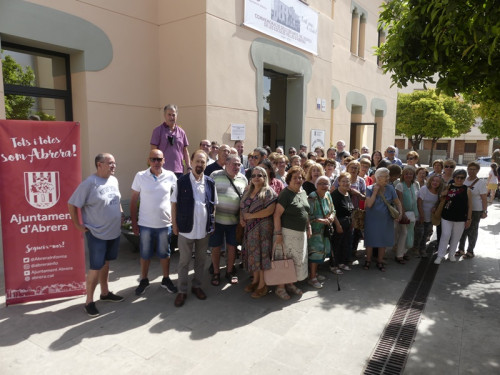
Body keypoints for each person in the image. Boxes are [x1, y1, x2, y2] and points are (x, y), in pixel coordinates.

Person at [68, 153, 124, 317]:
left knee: (106, 263)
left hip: (113, 232)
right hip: (97, 233)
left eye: (114, 163)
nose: (113, 166)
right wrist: (77, 225)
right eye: (110, 163)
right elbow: (72, 203)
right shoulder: (89, 183)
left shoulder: (114, 180)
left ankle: (105, 293)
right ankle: (89, 302)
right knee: (95, 268)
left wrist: (120, 214)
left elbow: (117, 199)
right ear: (99, 164)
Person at [171, 150, 217, 307]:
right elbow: (174, 205)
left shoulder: (210, 182)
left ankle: (197, 286)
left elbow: (213, 205)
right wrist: (175, 226)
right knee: (184, 261)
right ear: (191, 162)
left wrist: (212, 223)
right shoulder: (181, 182)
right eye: (197, 161)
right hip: (185, 228)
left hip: (203, 230)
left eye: (203, 162)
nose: (200, 164)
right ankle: (182, 291)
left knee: (201, 260)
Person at [130, 149, 178, 295]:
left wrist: (175, 219)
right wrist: (134, 222)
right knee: (145, 254)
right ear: (148, 161)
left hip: (164, 224)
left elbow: (177, 199)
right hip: (145, 224)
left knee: (165, 253)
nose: (156, 162)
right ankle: (144, 279)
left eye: (159, 159)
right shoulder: (140, 176)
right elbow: (133, 200)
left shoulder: (170, 176)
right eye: (153, 159)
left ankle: (165, 279)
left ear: (164, 160)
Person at [273, 166, 311, 300]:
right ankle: (280, 288)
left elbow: (306, 211)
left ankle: (290, 284)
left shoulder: (303, 192)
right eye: (294, 177)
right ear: (289, 179)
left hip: (301, 234)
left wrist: (309, 226)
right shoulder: (285, 193)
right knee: (285, 260)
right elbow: (277, 215)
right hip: (287, 233)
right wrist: (278, 234)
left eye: (300, 177)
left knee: (295, 261)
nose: (298, 180)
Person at [209, 155, 248, 286]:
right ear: (226, 163)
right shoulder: (215, 175)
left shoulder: (243, 179)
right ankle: (216, 272)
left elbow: (245, 200)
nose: (236, 167)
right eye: (234, 164)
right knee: (216, 247)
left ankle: (229, 272)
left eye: (239, 165)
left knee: (232, 247)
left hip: (234, 222)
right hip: (217, 221)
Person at [240, 166, 277, 298]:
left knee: (262, 256)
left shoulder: (268, 192)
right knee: (253, 255)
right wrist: (242, 218)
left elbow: (270, 210)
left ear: (264, 177)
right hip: (249, 230)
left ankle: (263, 285)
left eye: (259, 175)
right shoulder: (248, 191)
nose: (256, 178)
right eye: (254, 175)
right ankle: (255, 280)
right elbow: (242, 207)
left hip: (263, 230)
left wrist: (250, 216)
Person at [364, 168, 403, 272]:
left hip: (386, 219)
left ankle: (380, 261)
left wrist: (400, 213)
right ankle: (368, 260)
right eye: (385, 176)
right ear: (378, 177)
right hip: (372, 219)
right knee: (370, 240)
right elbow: (369, 204)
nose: (388, 178)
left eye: (388, 176)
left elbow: (398, 202)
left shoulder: (390, 188)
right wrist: (375, 192)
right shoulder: (369, 188)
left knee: (383, 241)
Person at [434, 169, 472, 264]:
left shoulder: (467, 190)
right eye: (457, 177)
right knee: (445, 235)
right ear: (454, 177)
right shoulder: (449, 186)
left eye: (462, 177)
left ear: (464, 178)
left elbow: (470, 206)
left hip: (460, 218)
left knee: (456, 237)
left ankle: (451, 254)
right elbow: (440, 197)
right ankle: (440, 255)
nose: (459, 179)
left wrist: (469, 219)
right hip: (447, 216)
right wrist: (443, 194)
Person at [307, 176, 338, 288]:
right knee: (315, 253)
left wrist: (330, 218)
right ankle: (312, 278)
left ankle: (314, 273)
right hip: (315, 230)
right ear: (316, 185)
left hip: (325, 229)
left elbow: (333, 210)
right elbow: (308, 215)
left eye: (326, 183)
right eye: (321, 183)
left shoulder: (328, 195)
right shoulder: (312, 197)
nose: (324, 186)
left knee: (322, 251)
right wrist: (320, 220)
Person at [150, 104, 191, 178]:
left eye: (173, 115)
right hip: (162, 170)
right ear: (165, 115)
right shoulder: (158, 131)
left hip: (178, 170)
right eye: (169, 115)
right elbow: (153, 151)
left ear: (176, 116)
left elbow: (185, 151)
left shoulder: (181, 132)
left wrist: (189, 167)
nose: (171, 117)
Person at [457, 162, 488, 258]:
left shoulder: (481, 183)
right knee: (462, 229)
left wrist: (484, 211)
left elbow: (484, 198)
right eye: (470, 169)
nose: (471, 171)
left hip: (476, 210)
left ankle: (470, 251)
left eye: (474, 169)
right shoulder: (464, 180)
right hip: (464, 209)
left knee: (472, 230)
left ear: (478, 170)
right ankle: (460, 249)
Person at [330, 172, 354, 274]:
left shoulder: (348, 193)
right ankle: (333, 265)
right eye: (343, 181)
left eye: (347, 181)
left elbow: (350, 209)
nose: (345, 183)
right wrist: (338, 225)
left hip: (347, 222)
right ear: (339, 182)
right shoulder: (335, 194)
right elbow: (332, 211)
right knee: (336, 245)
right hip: (338, 222)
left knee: (345, 244)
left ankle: (342, 263)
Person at [394, 166, 419, 264]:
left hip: (413, 213)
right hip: (403, 213)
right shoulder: (400, 185)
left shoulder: (415, 185)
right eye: (406, 174)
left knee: (409, 234)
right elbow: (399, 201)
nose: (409, 175)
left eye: (411, 174)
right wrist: (402, 213)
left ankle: (404, 252)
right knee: (404, 234)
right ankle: (399, 255)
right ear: (403, 175)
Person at [414, 175, 443, 258]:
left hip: (430, 217)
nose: (435, 183)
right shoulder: (424, 189)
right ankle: (415, 248)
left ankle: (422, 249)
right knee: (419, 233)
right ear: (430, 181)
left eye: (437, 181)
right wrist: (421, 215)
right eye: (434, 180)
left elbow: (439, 203)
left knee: (426, 234)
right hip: (421, 215)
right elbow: (419, 203)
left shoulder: (439, 191)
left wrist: (435, 207)